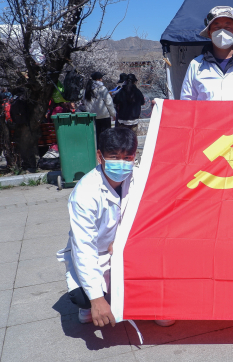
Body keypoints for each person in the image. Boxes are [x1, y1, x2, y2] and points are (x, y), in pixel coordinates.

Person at [56, 128, 174, 328]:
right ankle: (89, 305)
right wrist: (96, 299)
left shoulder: (142, 179)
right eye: (114, 157)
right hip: (97, 253)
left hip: (131, 248)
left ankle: (153, 302)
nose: (121, 163)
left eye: (127, 158)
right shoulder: (84, 193)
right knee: (84, 296)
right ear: (100, 156)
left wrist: (121, 243)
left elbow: (155, 218)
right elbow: (84, 247)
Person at [83, 71, 116, 138]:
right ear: (98, 79)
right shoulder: (102, 89)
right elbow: (109, 103)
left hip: (93, 117)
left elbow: (85, 103)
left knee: (96, 136)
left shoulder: (87, 90)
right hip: (104, 116)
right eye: (101, 78)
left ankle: (98, 145)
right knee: (106, 136)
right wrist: (113, 114)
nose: (102, 80)